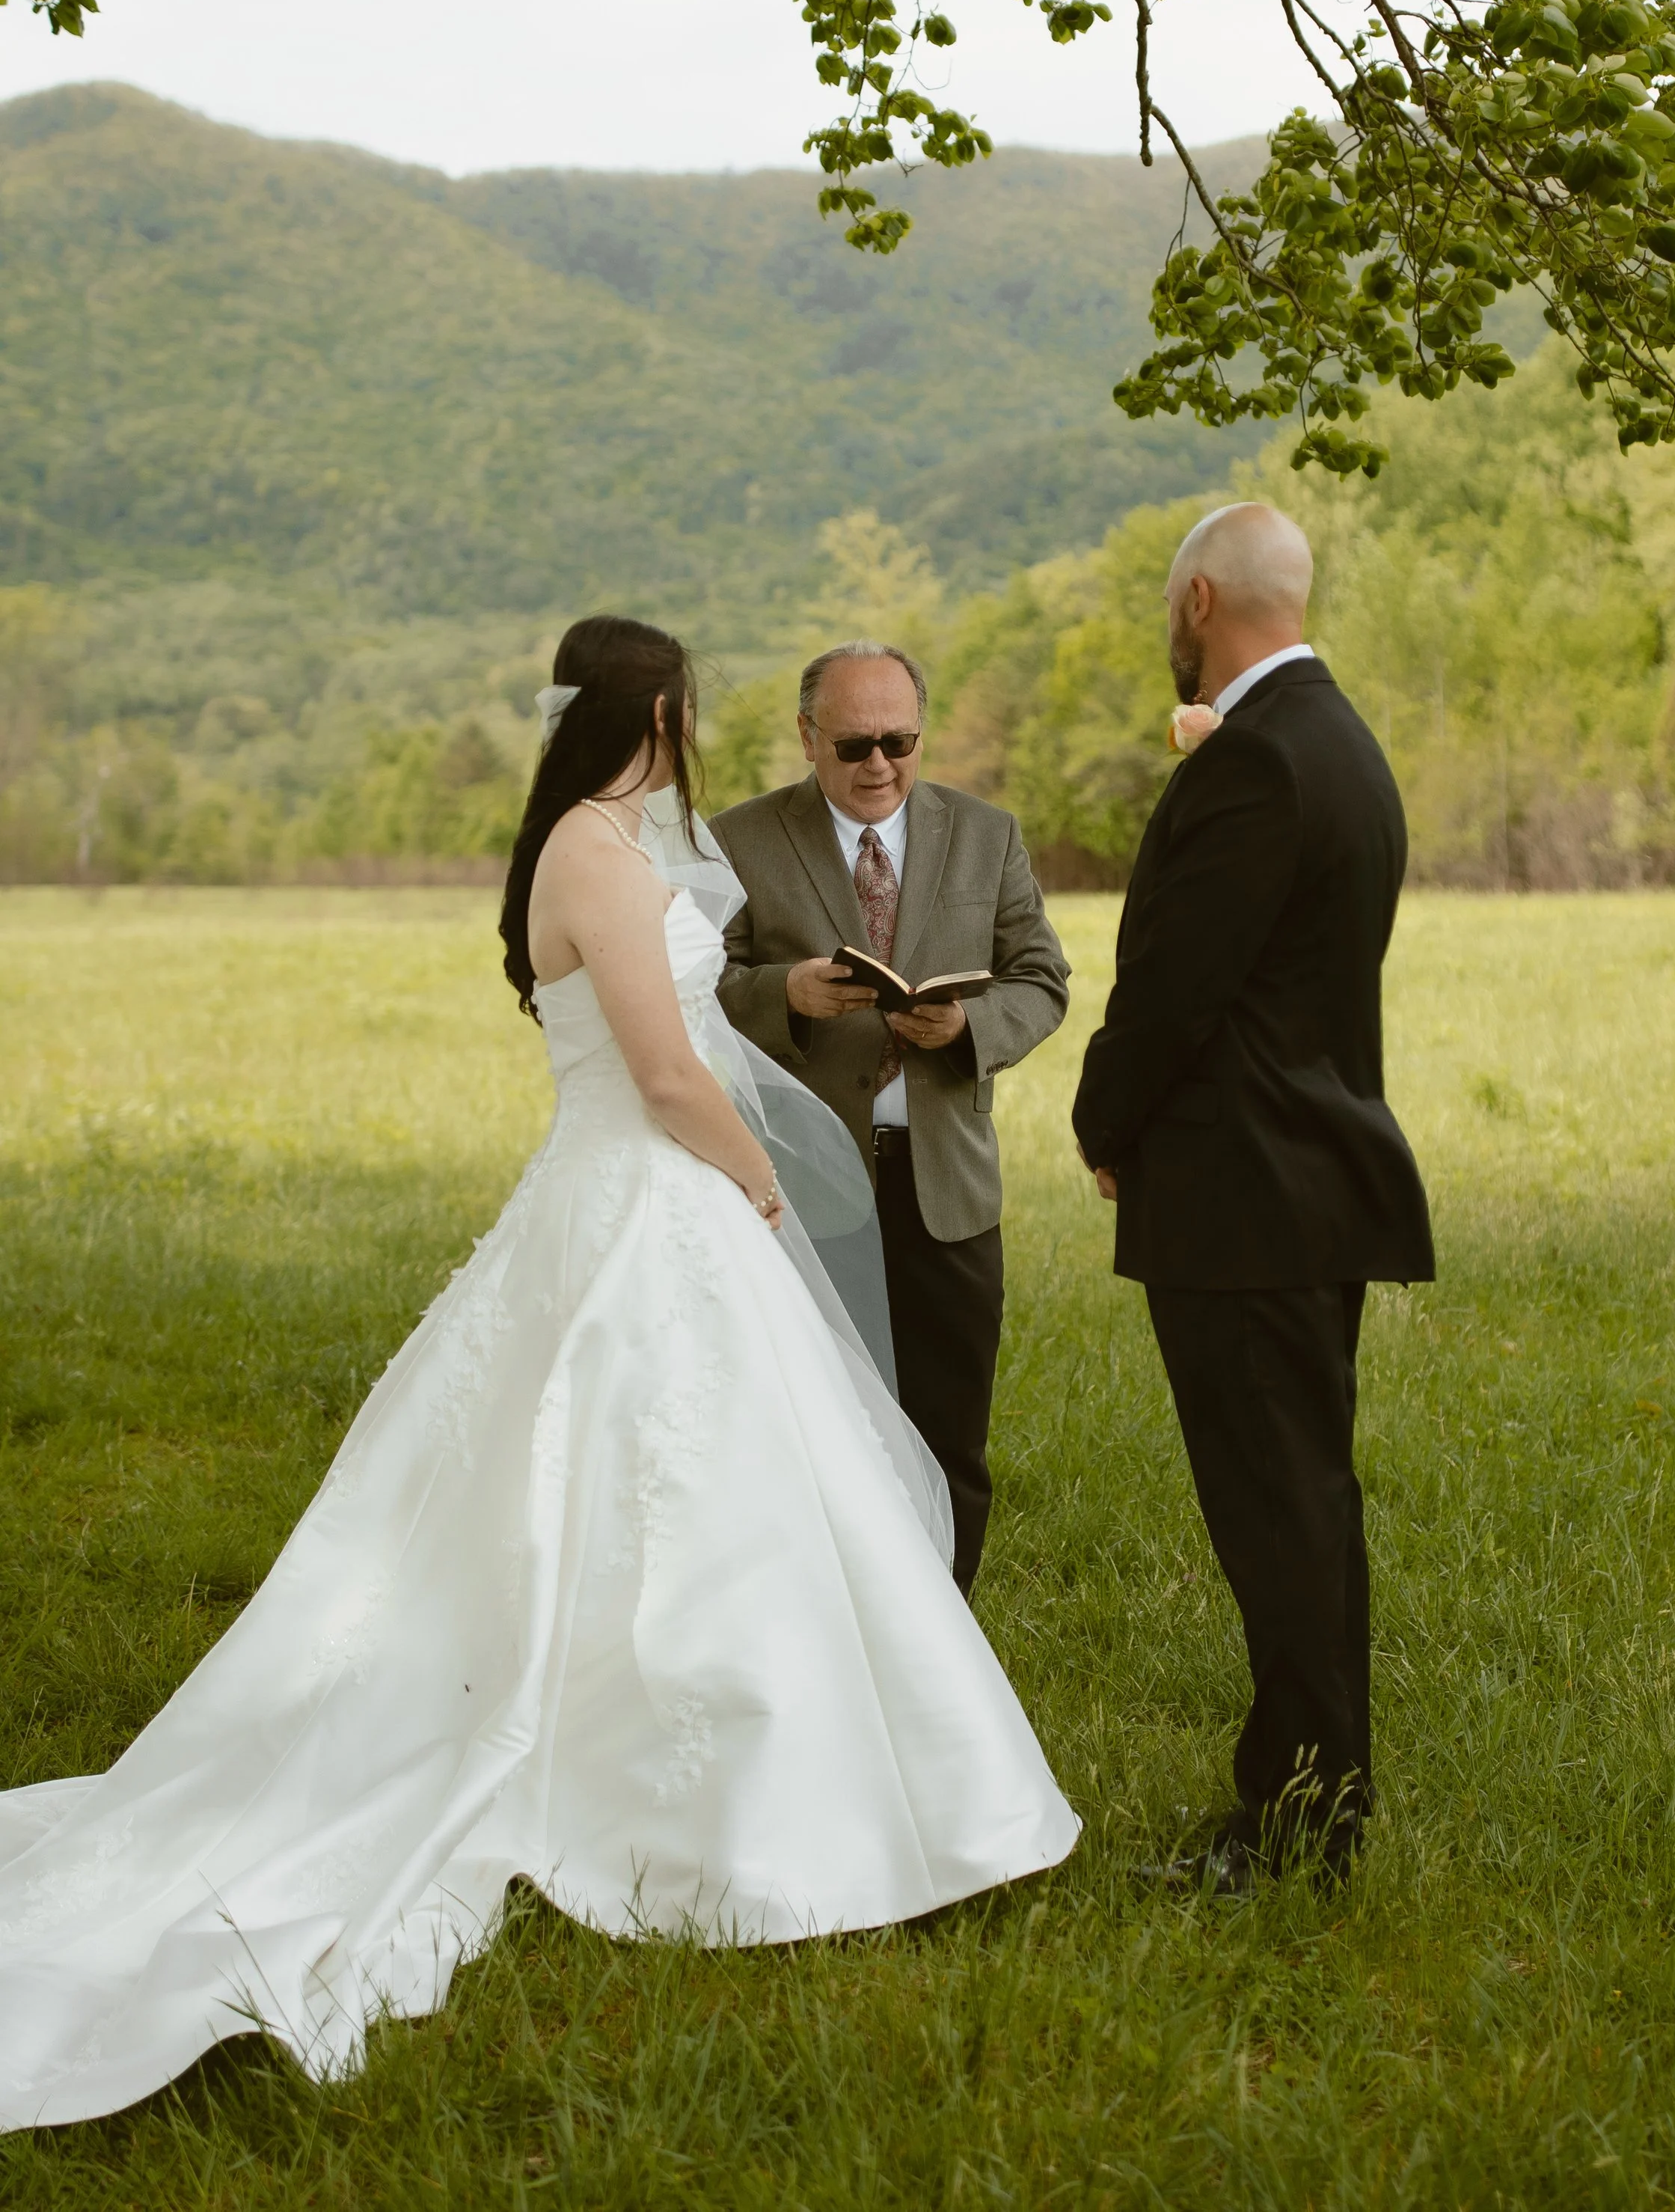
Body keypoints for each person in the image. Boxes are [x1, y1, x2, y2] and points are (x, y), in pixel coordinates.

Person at [0, 616, 1077, 2130]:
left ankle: (787, 1759)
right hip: (638, 1198)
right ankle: (689, 1787)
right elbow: (657, 1070)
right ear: (654, 708)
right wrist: (756, 1190)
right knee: (644, 1469)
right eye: (682, 707)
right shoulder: (588, 850)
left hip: (649, 1193)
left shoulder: (610, 837)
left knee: (739, 1491)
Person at [1071, 506, 1434, 1889]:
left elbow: (1178, 987)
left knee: (1277, 1516)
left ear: (1202, 599)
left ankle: (1295, 1826)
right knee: (1305, 1505)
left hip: (1246, 1196)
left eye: (1173, 614)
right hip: (1309, 1184)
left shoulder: (1261, 762)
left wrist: (1106, 1118)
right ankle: (1319, 1797)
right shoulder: (1342, 744)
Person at [711, 641, 1070, 1595]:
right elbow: (685, 985)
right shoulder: (739, 838)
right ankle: (827, 1622)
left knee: (950, 1434)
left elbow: (1043, 980)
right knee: (815, 1428)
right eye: (853, 745)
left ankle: (945, 1637)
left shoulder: (985, 835)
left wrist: (965, 1027)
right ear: (805, 738)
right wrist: (781, 993)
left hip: (946, 1186)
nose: (878, 766)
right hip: (800, 1187)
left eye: (899, 743)